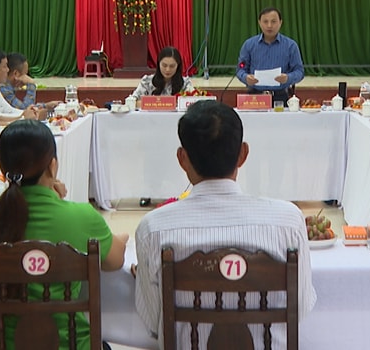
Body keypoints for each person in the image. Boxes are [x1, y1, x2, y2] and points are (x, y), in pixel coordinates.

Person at [133, 101, 316, 344]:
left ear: (182, 158)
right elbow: (300, 309)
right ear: (243, 154)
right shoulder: (288, 222)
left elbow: (154, 320)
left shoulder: (153, 229)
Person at [0, 120, 128, 350]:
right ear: (53, 166)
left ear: (2, 168)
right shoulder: (81, 216)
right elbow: (115, 261)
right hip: (69, 344)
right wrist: (120, 239)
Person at [236, 7, 304, 101]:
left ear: (280, 22)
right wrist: (245, 77)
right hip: (255, 97)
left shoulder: (290, 46)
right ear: (259, 23)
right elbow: (240, 69)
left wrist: (288, 78)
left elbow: (299, 71)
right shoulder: (249, 45)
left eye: (273, 21)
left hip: (281, 97)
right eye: (265, 21)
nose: (269, 25)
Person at [130, 46, 194, 99]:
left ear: (178, 66)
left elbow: (193, 103)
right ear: (158, 64)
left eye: (172, 66)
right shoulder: (147, 81)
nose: (168, 69)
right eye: (164, 65)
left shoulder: (185, 83)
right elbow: (132, 101)